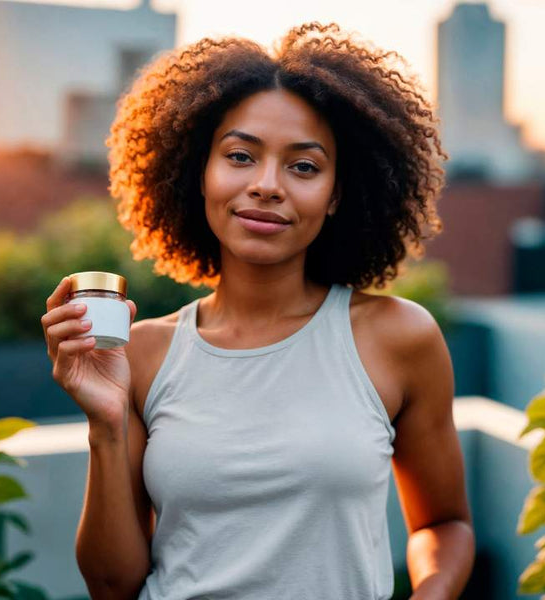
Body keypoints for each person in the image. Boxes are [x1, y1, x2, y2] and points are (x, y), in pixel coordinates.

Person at [41, 22, 474, 600]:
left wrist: (433, 593)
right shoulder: (141, 354)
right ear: (200, 172)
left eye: (304, 166)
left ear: (338, 193)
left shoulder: (398, 338)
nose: (267, 186)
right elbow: (113, 584)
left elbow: (443, 524)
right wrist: (106, 424)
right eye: (240, 156)